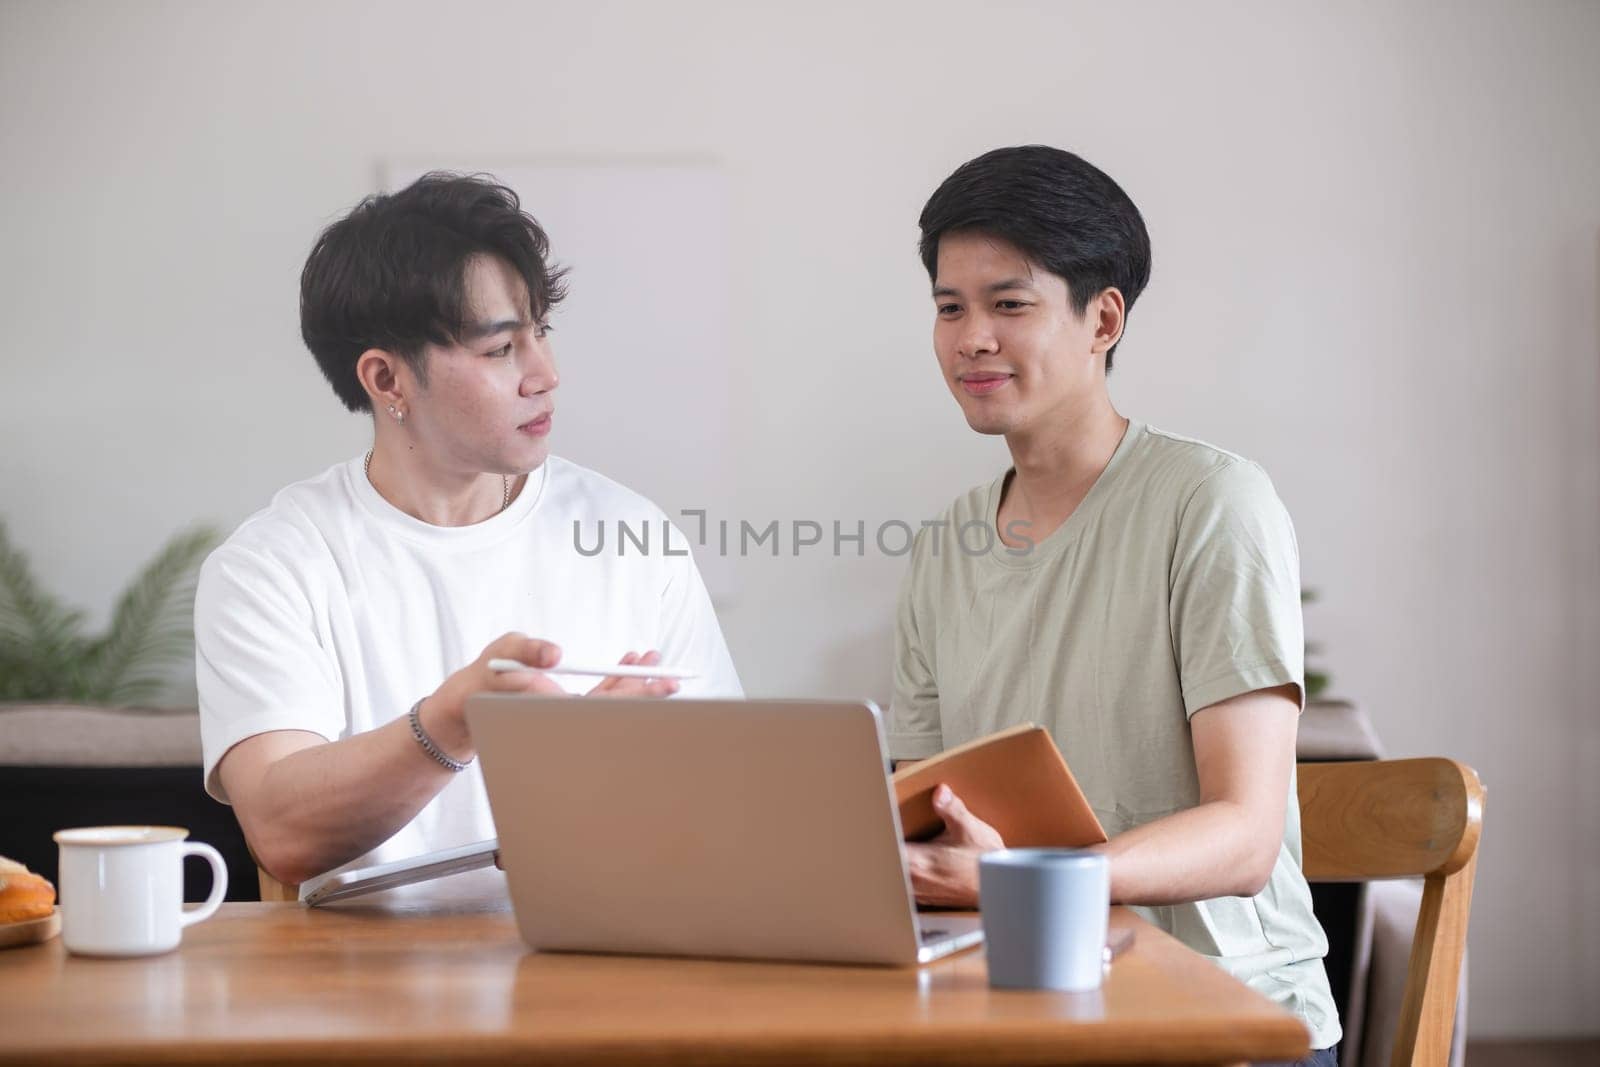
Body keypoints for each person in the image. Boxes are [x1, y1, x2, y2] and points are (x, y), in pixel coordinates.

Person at [889, 146, 1340, 1064]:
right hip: (1023, 1005)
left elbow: (1245, 837)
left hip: (1223, 1015)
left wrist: (1020, 879)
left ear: (1103, 318)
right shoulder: (945, 548)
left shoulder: (1212, 502)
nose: (972, 336)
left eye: (1008, 304)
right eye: (949, 307)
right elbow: (924, 810)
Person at [195, 173, 742, 890]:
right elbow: (281, 830)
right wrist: (454, 722)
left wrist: (599, 781)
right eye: (500, 350)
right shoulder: (273, 566)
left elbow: (732, 799)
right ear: (387, 381)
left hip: (592, 969)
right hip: (352, 988)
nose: (545, 374)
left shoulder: (631, 535)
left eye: (540, 333)